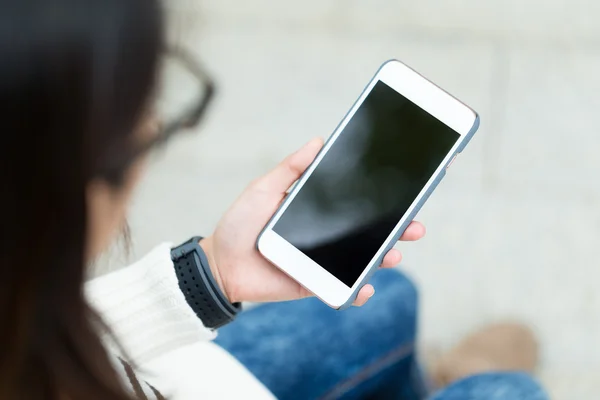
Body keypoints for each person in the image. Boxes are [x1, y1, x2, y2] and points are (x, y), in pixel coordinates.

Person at [0, 0, 549, 399]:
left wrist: (209, 275)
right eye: (145, 122)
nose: (155, 124)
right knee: (508, 391)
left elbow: (48, 336)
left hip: (163, 372)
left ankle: (432, 383)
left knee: (391, 298)